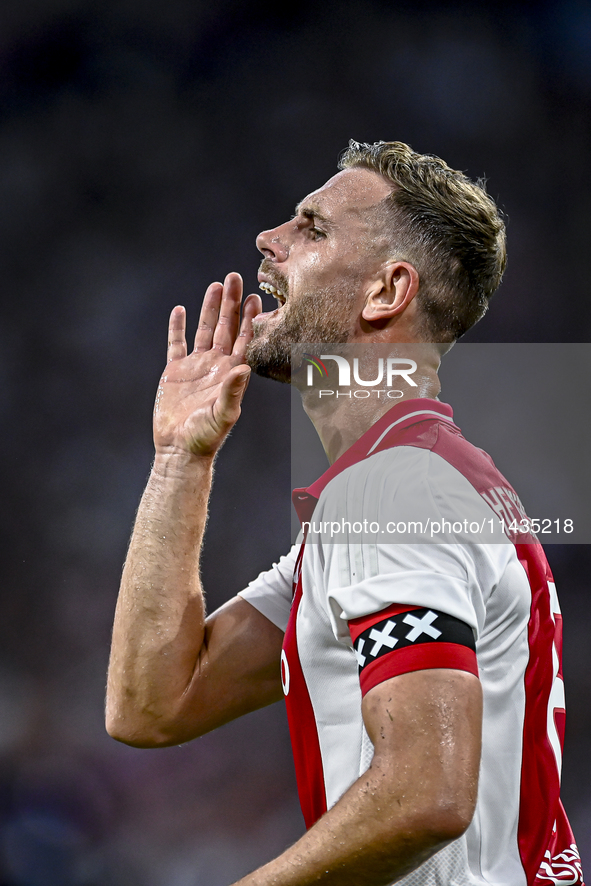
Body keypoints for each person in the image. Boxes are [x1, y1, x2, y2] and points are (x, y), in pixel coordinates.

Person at [106, 141, 584, 886]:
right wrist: (179, 460)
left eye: (312, 228)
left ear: (385, 292)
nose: (269, 240)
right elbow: (152, 705)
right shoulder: (388, 493)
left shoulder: (397, 492)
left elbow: (424, 796)